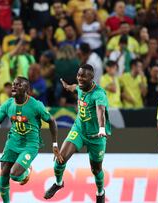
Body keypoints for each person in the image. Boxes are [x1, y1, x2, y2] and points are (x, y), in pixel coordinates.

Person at [0, 76, 63, 203]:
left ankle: (26, 172)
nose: (14, 86)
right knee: (4, 173)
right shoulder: (8, 104)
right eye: (13, 84)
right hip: (13, 142)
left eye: (19, 85)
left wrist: (54, 144)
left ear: (27, 89)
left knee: (14, 175)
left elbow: (52, 121)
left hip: (30, 144)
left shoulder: (36, 105)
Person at [44, 64, 111, 203]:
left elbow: (100, 111)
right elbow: (74, 88)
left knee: (96, 170)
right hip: (79, 130)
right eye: (78, 75)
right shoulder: (80, 87)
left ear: (92, 78)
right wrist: (67, 87)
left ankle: (100, 192)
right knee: (60, 159)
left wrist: (102, 129)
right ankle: (58, 183)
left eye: (83, 76)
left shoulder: (98, 94)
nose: (80, 78)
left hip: (96, 137)